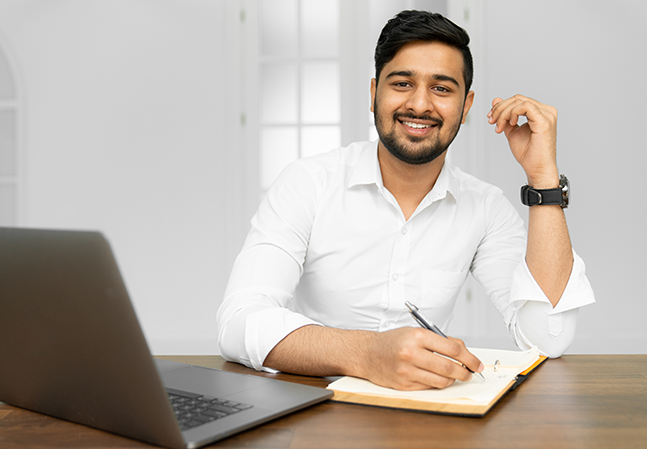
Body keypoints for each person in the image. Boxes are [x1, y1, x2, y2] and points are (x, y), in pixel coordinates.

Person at [217, 10, 595, 391]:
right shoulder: (308, 183)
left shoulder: (485, 208)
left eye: (442, 88)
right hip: (315, 409)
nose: (419, 104)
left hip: (425, 418)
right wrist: (367, 354)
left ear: (466, 107)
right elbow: (238, 322)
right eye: (401, 83)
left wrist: (543, 178)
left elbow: (548, 337)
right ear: (373, 93)